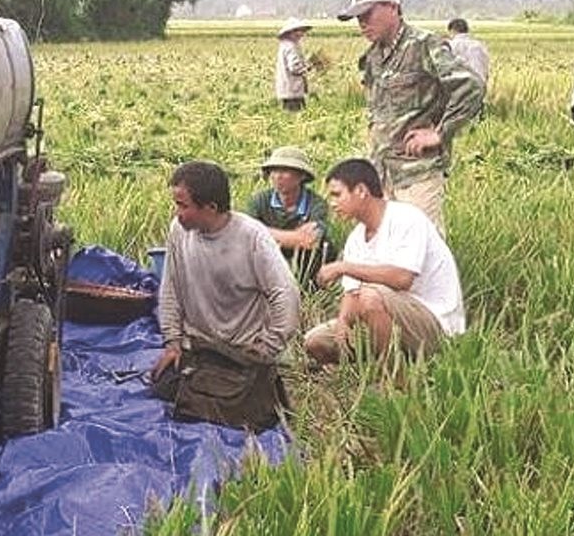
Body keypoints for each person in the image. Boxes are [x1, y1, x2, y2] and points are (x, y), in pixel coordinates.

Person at [150, 160, 301, 429]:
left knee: (244, 414)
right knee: (164, 389)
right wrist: (173, 343)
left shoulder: (253, 237)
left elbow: (286, 293)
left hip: (241, 353)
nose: (177, 213)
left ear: (210, 208)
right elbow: (171, 286)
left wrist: (268, 346)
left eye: (183, 206)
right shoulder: (178, 231)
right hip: (199, 349)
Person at [337, 0, 485, 235]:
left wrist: (439, 133)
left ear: (392, 7)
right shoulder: (372, 57)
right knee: (387, 247)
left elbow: (470, 86)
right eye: (357, 17)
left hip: (417, 171)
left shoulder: (423, 45)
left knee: (423, 248)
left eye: (367, 13)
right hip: (382, 173)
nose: (362, 23)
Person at [303, 158, 465, 366]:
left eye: (337, 194)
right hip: (379, 318)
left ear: (361, 190)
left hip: (433, 324)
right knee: (316, 341)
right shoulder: (356, 237)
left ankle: (393, 378)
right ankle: (385, 359)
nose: (332, 204)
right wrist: (343, 321)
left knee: (371, 296)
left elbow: (402, 278)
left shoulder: (406, 218)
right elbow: (352, 293)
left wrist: (343, 267)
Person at [245, 146, 333, 283]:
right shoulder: (259, 200)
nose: (277, 176)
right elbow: (248, 235)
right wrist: (296, 238)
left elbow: (311, 240)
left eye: (284, 171)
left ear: (301, 176)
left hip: (303, 270)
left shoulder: (316, 203)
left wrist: (265, 234)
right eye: (274, 171)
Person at [273, 17, 312, 110]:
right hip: (292, 90)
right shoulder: (291, 47)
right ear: (291, 32)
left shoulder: (284, 45)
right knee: (296, 115)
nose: (302, 34)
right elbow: (294, 67)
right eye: (299, 31)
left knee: (288, 115)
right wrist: (307, 68)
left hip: (286, 89)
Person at [445, 18, 491, 87]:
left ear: (452, 30)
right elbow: (486, 68)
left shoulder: (452, 45)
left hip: (463, 88)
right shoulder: (480, 45)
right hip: (481, 86)